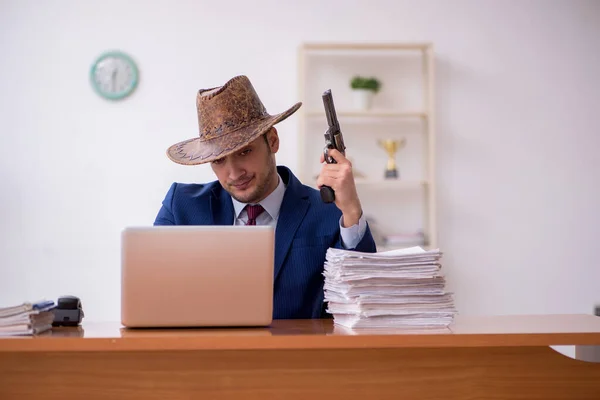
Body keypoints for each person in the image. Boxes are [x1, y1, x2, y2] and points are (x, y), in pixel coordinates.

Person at [154, 75, 376, 319]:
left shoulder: (329, 212)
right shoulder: (181, 207)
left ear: (272, 140)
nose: (234, 173)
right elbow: (153, 294)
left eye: (245, 151)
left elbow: (361, 303)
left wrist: (352, 211)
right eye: (218, 160)